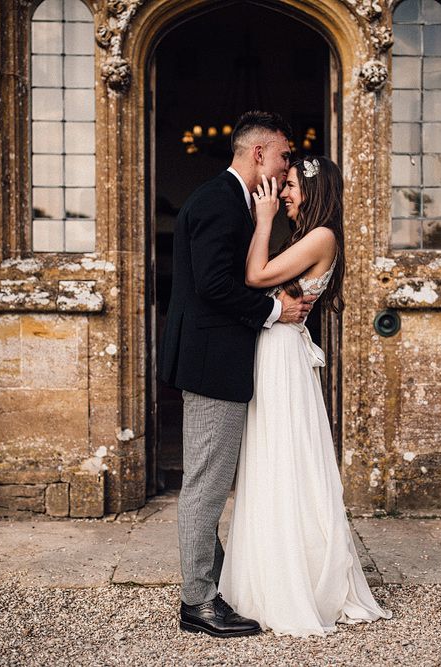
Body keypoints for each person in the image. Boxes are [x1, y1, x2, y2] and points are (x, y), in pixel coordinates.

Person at [218, 156, 392, 637]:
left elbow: (255, 276)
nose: (283, 191)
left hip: (283, 358)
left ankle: (296, 584)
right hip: (278, 352)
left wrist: (264, 218)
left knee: (283, 458)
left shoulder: (321, 237)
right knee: (273, 459)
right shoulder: (309, 238)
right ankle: (271, 574)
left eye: (290, 185)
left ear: (313, 191)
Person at [158, 111, 317, 638]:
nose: (286, 163)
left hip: (220, 360)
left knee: (210, 482)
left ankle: (215, 584)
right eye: (283, 155)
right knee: (204, 486)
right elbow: (212, 285)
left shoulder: (235, 203)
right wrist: (274, 312)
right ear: (258, 154)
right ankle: (197, 602)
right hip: (210, 363)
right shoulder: (217, 202)